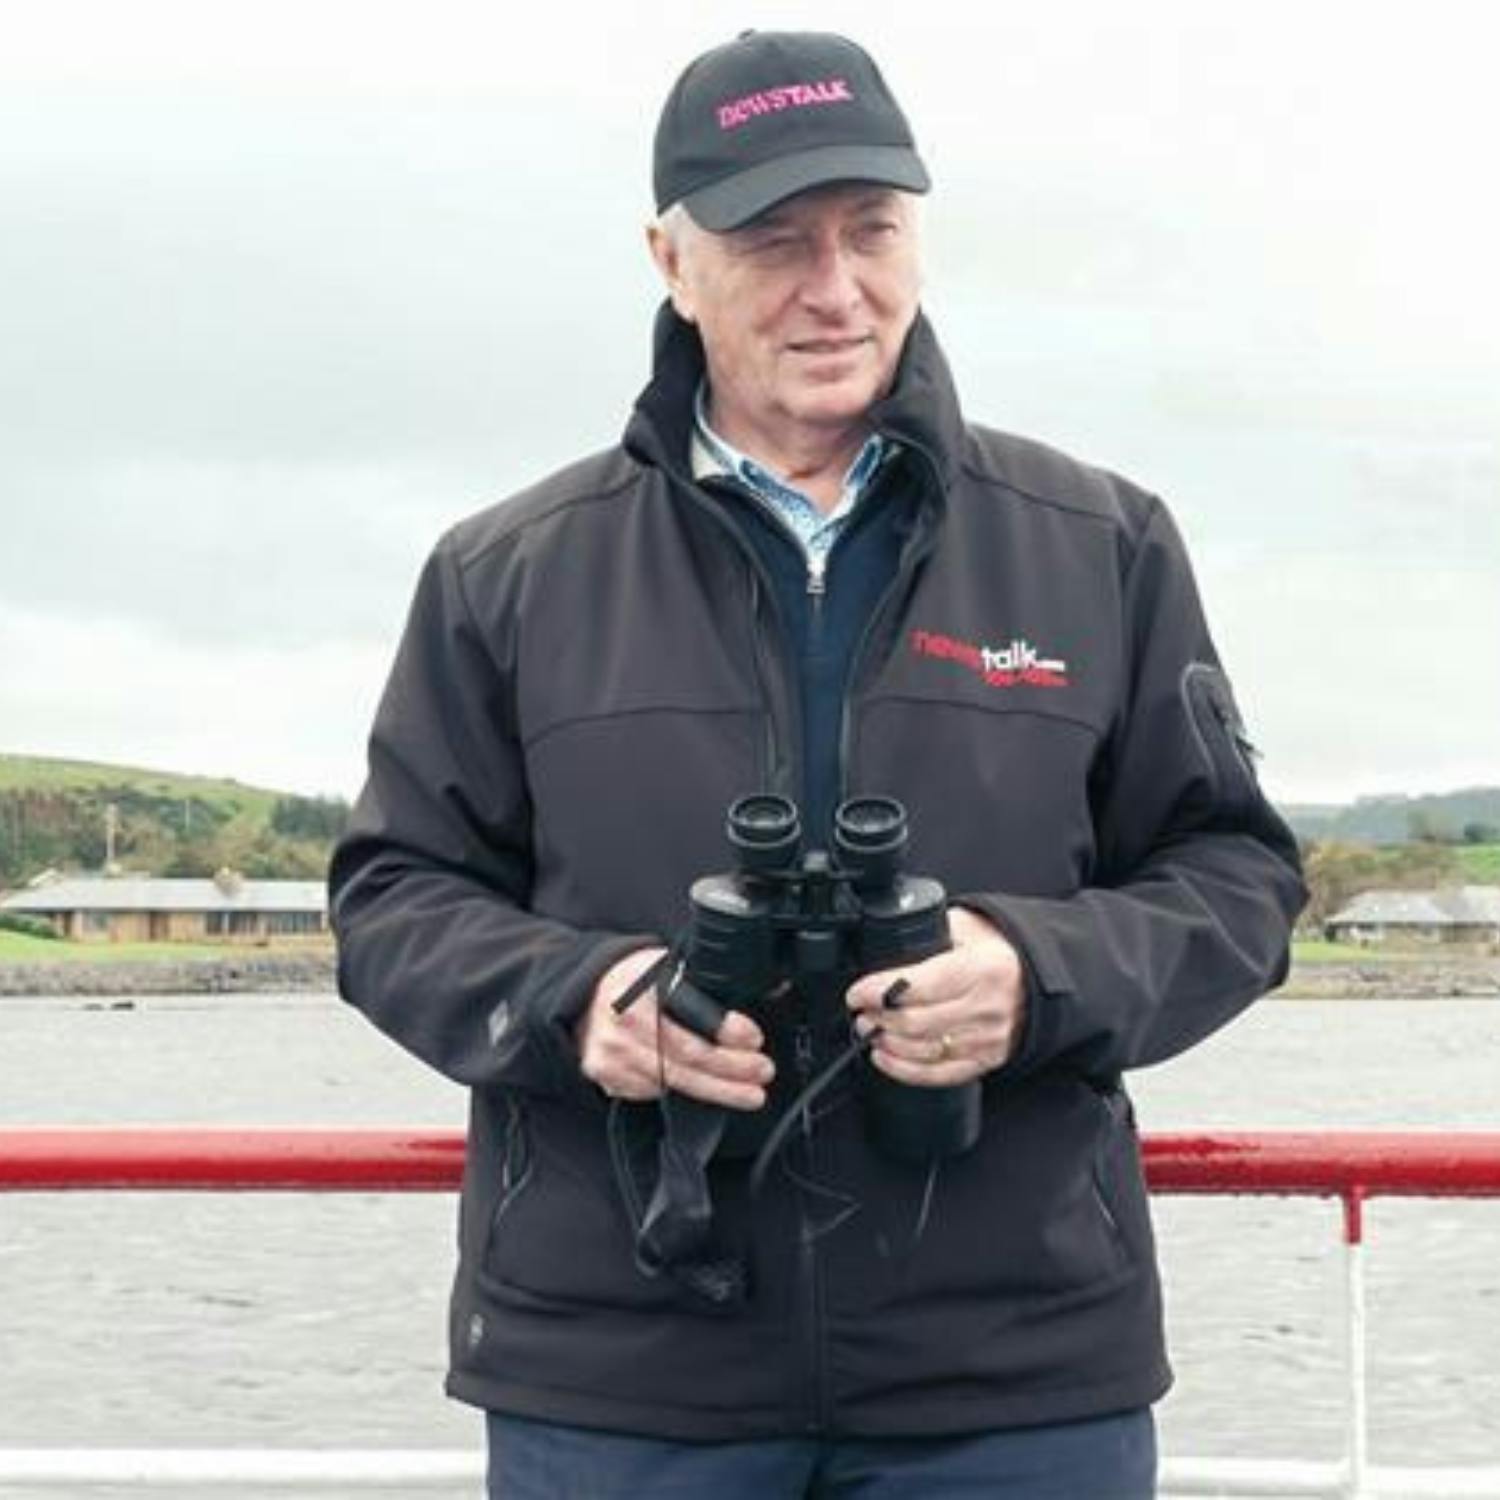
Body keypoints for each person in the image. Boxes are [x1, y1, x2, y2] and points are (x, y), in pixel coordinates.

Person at [329, 29, 1305, 1499]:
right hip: (624, 1369)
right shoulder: (507, 572)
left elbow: (1235, 878)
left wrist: (1034, 976)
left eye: (873, 232)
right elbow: (392, 898)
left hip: (1012, 1371)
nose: (836, 289)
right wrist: (577, 1001)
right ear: (670, 257)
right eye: (776, 240)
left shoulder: (1101, 543)